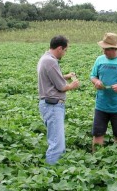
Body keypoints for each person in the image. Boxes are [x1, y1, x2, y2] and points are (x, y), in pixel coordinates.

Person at [37, 35, 80, 165]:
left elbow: (53, 77)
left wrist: (66, 76)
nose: (65, 53)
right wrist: (72, 85)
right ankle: (51, 174)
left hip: (48, 104)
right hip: (53, 105)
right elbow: (61, 87)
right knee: (57, 145)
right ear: (60, 48)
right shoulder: (51, 61)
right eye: (65, 50)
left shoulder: (45, 58)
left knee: (55, 140)